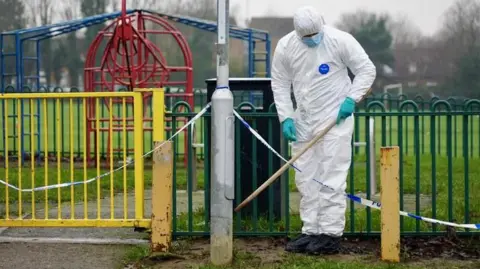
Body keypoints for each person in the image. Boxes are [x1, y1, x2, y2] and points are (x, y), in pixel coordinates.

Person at [271, 6, 376, 255]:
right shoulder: (286, 47)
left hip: (334, 121)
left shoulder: (340, 40)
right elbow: (280, 82)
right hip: (303, 121)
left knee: (331, 176)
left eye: (314, 35)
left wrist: (351, 99)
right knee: (306, 178)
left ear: (322, 26)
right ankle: (311, 230)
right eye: (305, 38)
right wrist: (286, 117)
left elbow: (366, 69)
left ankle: (329, 234)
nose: (311, 40)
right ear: (297, 34)